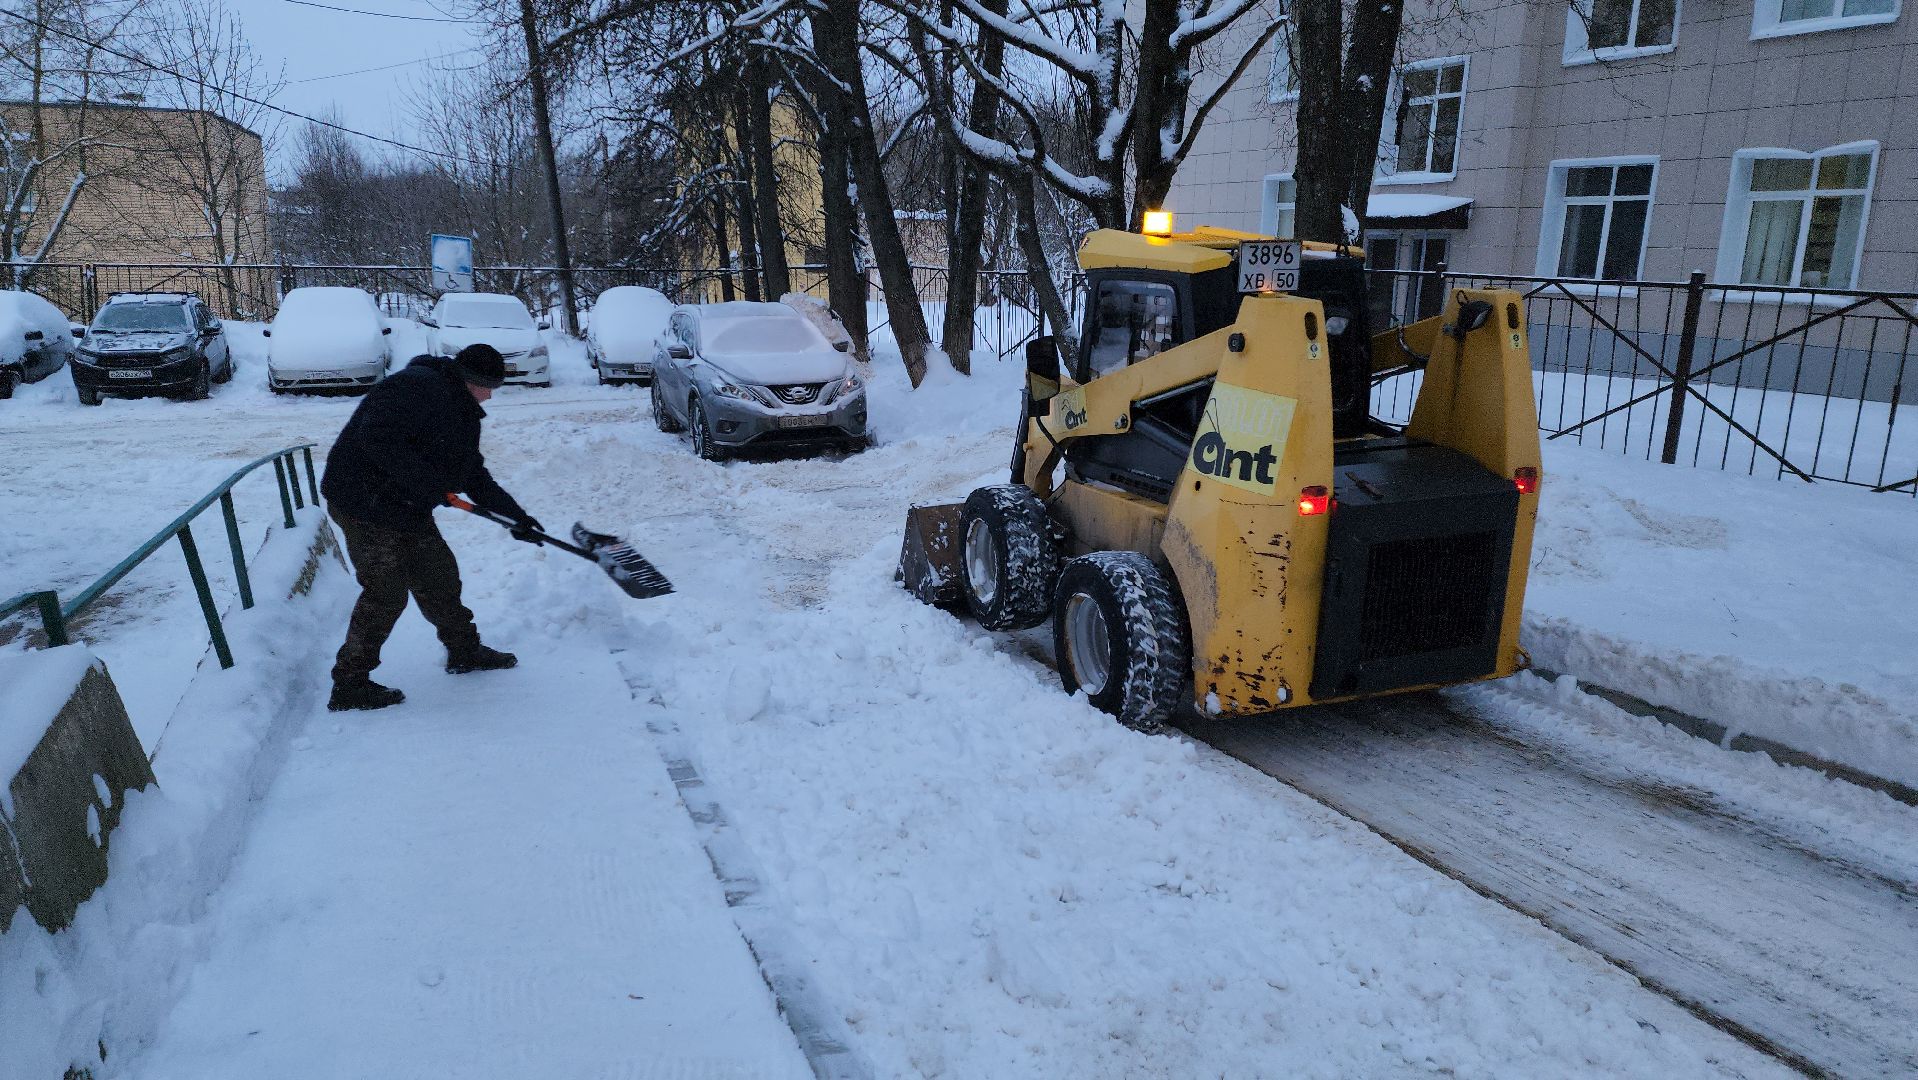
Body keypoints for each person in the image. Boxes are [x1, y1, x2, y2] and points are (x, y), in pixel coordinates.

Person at [320, 343, 542, 712]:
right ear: (470, 380)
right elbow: (375, 437)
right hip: (362, 502)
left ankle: (464, 651)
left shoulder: (463, 412)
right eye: (489, 387)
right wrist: (429, 485)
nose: (490, 397)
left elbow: (472, 472)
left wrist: (515, 517)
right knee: (386, 591)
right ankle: (350, 683)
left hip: (405, 504)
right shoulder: (414, 387)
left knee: (439, 576)